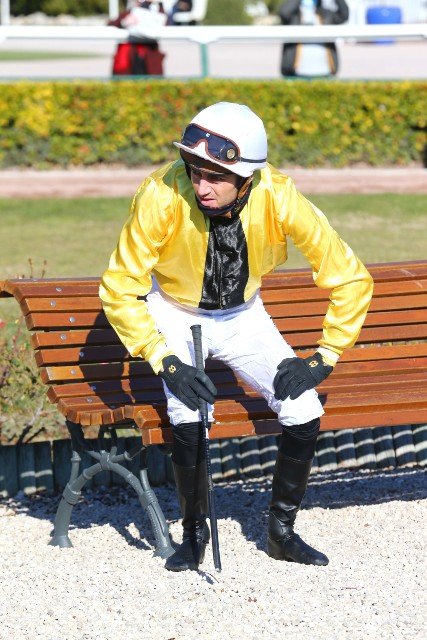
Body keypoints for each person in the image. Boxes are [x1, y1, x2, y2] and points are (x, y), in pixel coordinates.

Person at [100, 102, 373, 572]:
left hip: (245, 315)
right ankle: (194, 533)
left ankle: (281, 533)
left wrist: (324, 356)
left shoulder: (280, 195)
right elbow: (119, 287)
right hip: (174, 311)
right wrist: (163, 359)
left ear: (246, 177)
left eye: (216, 177)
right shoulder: (160, 193)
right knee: (188, 412)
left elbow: (350, 277)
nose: (201, 186)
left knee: (305, 408)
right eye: (195, 171)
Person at [279, 0, 349, 78]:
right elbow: (284, 12)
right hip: (296, 73)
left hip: (325, 72)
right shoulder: (294, 15)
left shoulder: (325, 14)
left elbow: (344, 15)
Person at [108, 1, 166, 76]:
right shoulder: (131, 12)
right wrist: (125, 22)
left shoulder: (158, 10)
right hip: (131, 54)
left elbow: (166, 23)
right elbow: (111, 23)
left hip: (150, 54)